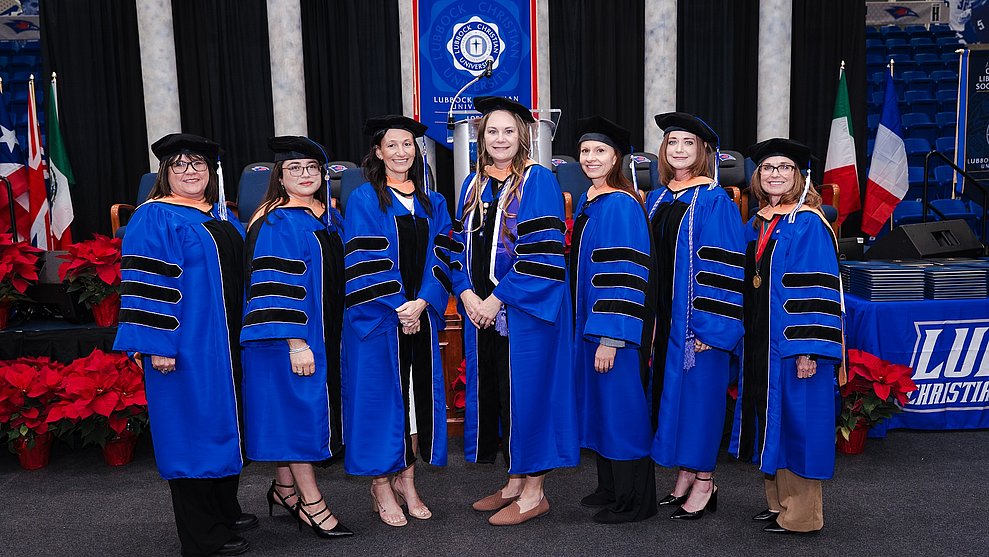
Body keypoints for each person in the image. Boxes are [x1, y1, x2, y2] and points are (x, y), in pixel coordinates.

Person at [114, 133, 256, 557]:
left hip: (224, 341)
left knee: (221, 422)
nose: (190, 171)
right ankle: (201, 536)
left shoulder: (217, 215)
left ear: (211, 172)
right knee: (191, 430)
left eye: (198, 164)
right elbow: (146, 286)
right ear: (165, 173)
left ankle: (223, 509)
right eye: (179, 165)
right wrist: (158, 344)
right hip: (185, 344)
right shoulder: (153, 217)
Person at [450, 96, 578, 526]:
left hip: (525, 312)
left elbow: (542, 254)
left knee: (530, 396)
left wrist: (496, 298)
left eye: (508, 131)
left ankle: (535, 492)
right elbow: (454, 248)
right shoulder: (473, 185)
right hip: (482, 311)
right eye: (492, 131)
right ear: (481, 138)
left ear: (522, 136)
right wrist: (466, 294)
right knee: (504, 396)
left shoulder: (537, 180)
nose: (500, 138)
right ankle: (514, 481)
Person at [342, 115, 451, 528]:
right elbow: (364, 262)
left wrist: (423, 301)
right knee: (380, 402)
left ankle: (407, 480)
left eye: (408, 144)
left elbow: (443, 255)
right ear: (378, 152)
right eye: (393, 145)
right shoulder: (365, 199)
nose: (402, 152)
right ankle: (381, 485)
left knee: (413, 402)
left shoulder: (432, 202)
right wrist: (398, 306)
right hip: (377, 322)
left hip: (419, 317)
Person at [240, 136, 352, 538]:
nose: (304, 176)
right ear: (280, 177)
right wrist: (296, 343)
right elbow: (273, 286)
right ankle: (312, 502)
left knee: (296, 411)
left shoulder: (327, 215)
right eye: (294, 169)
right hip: (290, 338)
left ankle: (284, 488)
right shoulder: (277, 220)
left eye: (311, 169)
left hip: (324, 333)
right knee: (300, 412)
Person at [730, 138, 842, 535]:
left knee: (798, 422)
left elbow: (815, 290)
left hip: (794, 345)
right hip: (763, 342)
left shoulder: (809, 222)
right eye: (767, 168)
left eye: (784, 168)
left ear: (799, 176)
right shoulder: (759, 221)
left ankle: (803, 515)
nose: (774, 174)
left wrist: (808, 348)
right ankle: (778, 502)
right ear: (757, 177)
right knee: (770, 417)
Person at [645, 112, 744, 520]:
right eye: (672, 143)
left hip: (699, 323)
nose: (679, 150)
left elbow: (723, 268)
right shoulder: (658, 198)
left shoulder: (715, 200)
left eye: (688, 143)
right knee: (678, 400)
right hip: (667, 318)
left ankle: (706, 481)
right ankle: (685, 475)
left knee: (701, 401)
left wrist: (711, 327)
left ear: (703, 151)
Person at [569, 116, 657, 523]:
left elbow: (623, 275)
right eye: (585, 151)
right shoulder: (593, 200)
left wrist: (610, 337)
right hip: (590, 327)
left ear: (616, 157)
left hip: (612, 331)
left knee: (623, 412)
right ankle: (609, 487)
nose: (590, 157)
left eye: (600, 151)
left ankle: (634, 501)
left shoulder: (622, 204)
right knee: (603, 407)